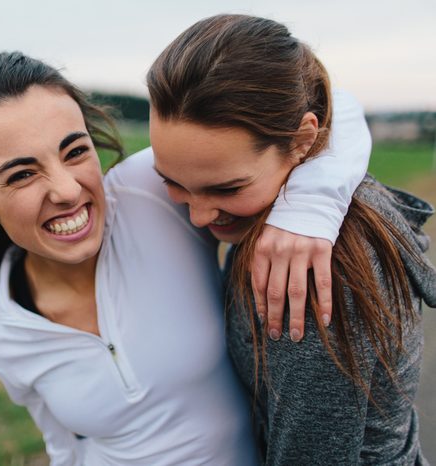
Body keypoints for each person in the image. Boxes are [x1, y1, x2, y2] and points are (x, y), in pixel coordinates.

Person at [0, 52, 370, 465]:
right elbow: (64, 450)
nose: (66, 190)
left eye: (76, 151)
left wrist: (309, 210)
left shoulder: (150, 192)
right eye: (23, 174)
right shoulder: (6, 338)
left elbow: (338, 108)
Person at [147, 14, 436, 465]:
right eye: (172, 181)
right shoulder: (300, 199)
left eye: (227, 188)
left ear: (302, 140)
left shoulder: (313, 272)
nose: (200, 216)